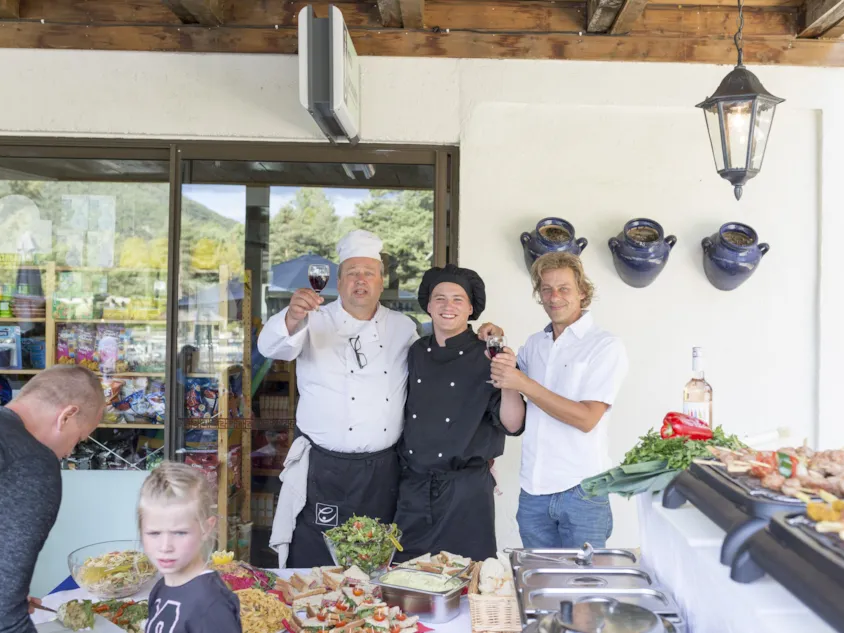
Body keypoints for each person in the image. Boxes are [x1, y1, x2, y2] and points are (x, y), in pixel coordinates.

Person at [259, 229, 501, 567]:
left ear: (381, 280)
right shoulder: (313, 321)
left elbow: (443, 373)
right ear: (339, 281)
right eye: (352, 273)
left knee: (378, 563)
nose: (361, 280)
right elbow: (272, 348)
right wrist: (291, 316)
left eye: (368, 273)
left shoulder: (403, 328)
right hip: (324, 470)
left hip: (383, 471)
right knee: (315, 562)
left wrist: (486, 335)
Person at [490, 252, 629, 549]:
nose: (554, 297)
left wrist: (524, 382)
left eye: (564, 288)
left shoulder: (604, 346)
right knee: (538, 591)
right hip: (533, 491)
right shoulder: (534, 345)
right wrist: (499, 348)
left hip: (583, 492)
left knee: (586, 589)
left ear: (582, 291)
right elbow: (513, 415)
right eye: (546, 289)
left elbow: (587, 419)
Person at [394, 265, 525, 562]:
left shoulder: (489, 353)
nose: (447, 306)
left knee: (469, 580)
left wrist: (509, 379)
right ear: (428, 305)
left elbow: (513, 424)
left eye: (457, 299)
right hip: (414, 486)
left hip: (466, 493)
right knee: (407, 577)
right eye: (439, 298)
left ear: (471, 308)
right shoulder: (415, 352)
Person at [0, 365, 105, 633]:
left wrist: (5, 594)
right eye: (77, 439)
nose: (68, 452)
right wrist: (6, 602)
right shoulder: (30, 462)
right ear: (67, 415)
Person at [139, 462, 241, 633]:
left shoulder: (212, 605)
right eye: (154, 533)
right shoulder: (160, 588)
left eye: (180, 533)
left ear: (206, 528)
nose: (165, 547)